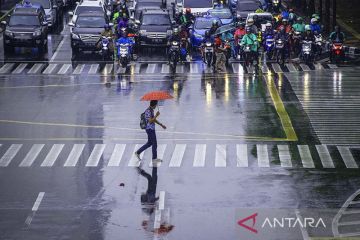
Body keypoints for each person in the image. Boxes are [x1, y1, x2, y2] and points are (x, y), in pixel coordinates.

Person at [135, 100, 166, 165]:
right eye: (156, 104)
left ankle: (138, 152)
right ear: (154, 105)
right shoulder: (148, 111)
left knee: (149, 143)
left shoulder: (151, 110)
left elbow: (154, 120)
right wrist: (156, 115)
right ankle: (154, 159)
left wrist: (161, 124)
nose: (156, 106)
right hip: (149, 129)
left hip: (151, 129)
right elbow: (150, 121)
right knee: (154, 144)